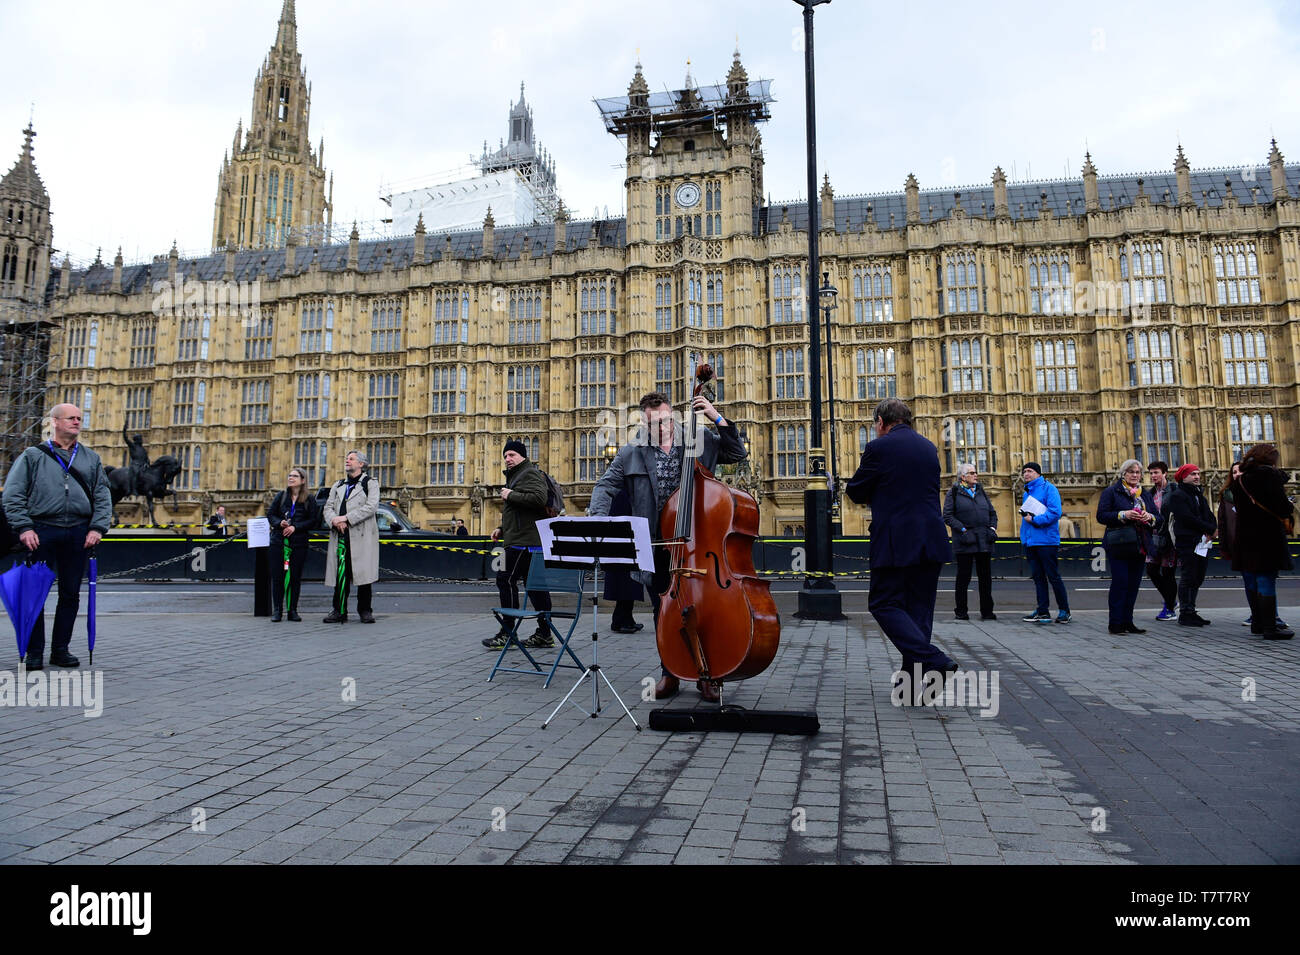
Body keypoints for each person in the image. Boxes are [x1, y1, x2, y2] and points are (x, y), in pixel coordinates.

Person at [589, 389, 746, 701]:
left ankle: (708, 675)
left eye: (663, 420)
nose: (659, 427)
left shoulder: (700, 439)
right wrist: (598, 518)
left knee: (704, 610)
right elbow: (606, 485)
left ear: (672, 414)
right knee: (666, 613)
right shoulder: (631, 452)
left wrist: (716, 416)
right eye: (652, 423)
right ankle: (670, 671)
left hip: (698, 541)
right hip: (656, 544)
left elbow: (737, 453)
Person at [846, 397, 958, 703]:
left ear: (881, 422)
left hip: (897, 540)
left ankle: (934, 659)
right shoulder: (928, 447)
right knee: (918, 612)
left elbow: (856, 490)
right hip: (932, 539)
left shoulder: (878, 447)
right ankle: (912, 690)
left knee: (883, 604)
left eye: (875, 425)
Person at [2, 404, 112, 669]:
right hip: (41, 530)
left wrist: (97, 528)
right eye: (71, 418)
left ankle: (60, 650)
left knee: (70, 594)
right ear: (54, 422)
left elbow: (102, 495)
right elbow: (12, 494)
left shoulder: (90, 458)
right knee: (34, 594)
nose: (76, 422)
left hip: (78, 532)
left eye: (79, 418)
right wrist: (24, 527)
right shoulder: (32, 455)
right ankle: (34, 651)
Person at [483, 440, 554, 651]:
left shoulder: (529, 473)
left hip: (524, 543)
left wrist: (510, 494)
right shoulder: (518, 476)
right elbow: (518, 512)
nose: (508, 459)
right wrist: (501, 528)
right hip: (523, 541)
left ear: (523, 456)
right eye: (505, 456)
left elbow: (539, 498)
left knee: (505, 579)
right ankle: (544, 633)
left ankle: (507, 632)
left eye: (512, 455)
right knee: (535, 587)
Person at [1231, 445, 1294, 640]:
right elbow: (1283, 508)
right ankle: (1270, 627)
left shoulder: (1241, 480)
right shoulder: (1269, 476)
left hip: (1246, 538)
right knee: (1266, 579)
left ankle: (1257, 623)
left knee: (1253, 579)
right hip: (1266, 537)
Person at [1097, 460, 1156, 634]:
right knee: (1120, 583)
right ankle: (1115, 623)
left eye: (1138, 472)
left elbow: (1158, 517)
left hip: (1140, 544)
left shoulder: (1144, 494)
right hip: (1119, 544)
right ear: (1123, 474)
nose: (1135, 475)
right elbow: (1101, 515)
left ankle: (1128, 621)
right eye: (1131, 472)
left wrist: (1149, 517)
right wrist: (1123, 514)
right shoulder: (1111, 492)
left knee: (1133, 585)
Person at [322, 450, 380, 624]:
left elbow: (371, 507)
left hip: (360, 535)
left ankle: (365, 611)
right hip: (340, 535)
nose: (347, 461)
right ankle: (339, 610)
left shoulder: (370, 483)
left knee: (364, 576)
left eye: (351, 459)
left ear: (361, 464)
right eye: (346, 458)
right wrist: (334, 520)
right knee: (341, 575)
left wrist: (346, 518)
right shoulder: (338, 485)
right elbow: (327, 507)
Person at [1160, 463, 1217, 627]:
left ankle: (1191, 610)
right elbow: (1186, 518)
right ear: (1183, 477)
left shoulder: (1199, 494)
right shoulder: (1178, 495)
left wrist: (1213, 528)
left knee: (1198, 577)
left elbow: (1208, 514)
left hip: (1201, 543)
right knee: (1188, 577)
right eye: (1193, 474)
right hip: (1187, 542)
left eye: (1198, 474)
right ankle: (1185, 613)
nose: (1197, 477)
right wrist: (1209, 528)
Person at [941, 462, 998, 621]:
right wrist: (963, 530)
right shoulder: (953, 492)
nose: (976, 475)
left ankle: (987, 612)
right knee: (963, 579)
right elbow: (947, 516)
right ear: (963, 477)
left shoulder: (981, 491)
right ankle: (961, 611)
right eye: (972, 473)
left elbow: (992, 513)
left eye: (975, 472)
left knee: (985, 579)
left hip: (984, 540)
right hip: (965, 541)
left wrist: (992, 529)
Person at [1018, 463, 1071, 624]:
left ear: (1038, 474)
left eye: (1030, 471)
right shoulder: (1027, 492)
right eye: (1025, 471)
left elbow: (1055, 512)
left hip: (1046, 541)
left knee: (1053, 576)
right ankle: (1043, 611)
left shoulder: (1049, 489)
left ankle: (1064, 611)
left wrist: (1035, 520)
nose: (1026, 474)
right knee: (1038, 578)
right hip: (1031, 541)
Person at [267, 467, 320, 622]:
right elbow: (270, 515)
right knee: (278, 577)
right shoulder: (281, 496)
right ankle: (277, 610)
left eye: (295, 476)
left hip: (298, 544)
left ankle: (292, 610)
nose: (291, 478)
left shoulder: (309, 499)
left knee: (295, 577)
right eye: (289, 475)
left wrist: (295, 527)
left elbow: (313, 521)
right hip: (279, 543)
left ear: (302, 480)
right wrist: (279, 523)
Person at [603, 488, 646, 634]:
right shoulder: (623, 492)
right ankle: (622, 621)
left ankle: (626, 618)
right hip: (624, 545)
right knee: (626, 584)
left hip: (624, 544)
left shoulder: (622, 491)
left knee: (628, 584)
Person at [1142, 461, 1179, 621]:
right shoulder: (1149, 494)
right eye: (1150, 473)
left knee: (1168, 574)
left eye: (1156, 472)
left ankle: (1169, 608)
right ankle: (1171, 601)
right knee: (1151, 570)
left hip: (1169, 538)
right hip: (1155, 538)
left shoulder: (1174, 490)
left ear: (1165, 473)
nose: (1153, 476)